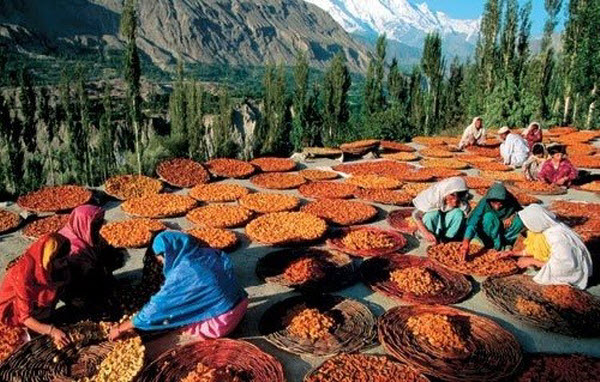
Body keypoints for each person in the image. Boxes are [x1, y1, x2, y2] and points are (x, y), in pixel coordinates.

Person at [108, 231, 248, 341]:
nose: (161, 262)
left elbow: (156, 309)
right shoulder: (209, 253)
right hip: (241, 304)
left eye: (160, 258)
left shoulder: (184, 272)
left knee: (176, 326)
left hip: (223, 322)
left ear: (168, 253)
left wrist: (121, 328)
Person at [0, 234, 72, 347]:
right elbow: (25, 317)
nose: (65, 263)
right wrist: (51, 330)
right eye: (60, 260)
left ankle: (41, 321)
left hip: (34, 306)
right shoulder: (23, 273)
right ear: (48, 258)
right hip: (14, 311)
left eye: (65, 259)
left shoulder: (49, 267)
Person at [509, 204, 591, 289]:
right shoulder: (545, 230)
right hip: (554, 263)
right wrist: (512, 253)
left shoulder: (558, 237)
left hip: (569, 273)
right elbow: (534, 250)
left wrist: (531, 261)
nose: (526, 227)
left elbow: (563, 267)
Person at [58, 205, 114, 307]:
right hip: (75, 286)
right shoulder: (71, 249)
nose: (100, 227)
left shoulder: (82, 232)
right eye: (96, 225)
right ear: (84, 224)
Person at [462, 182, 524, 256]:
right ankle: (492, 244)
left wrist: (512, 216)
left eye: (500, 204)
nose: (497, 207)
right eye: (494, 203)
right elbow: (473, 222)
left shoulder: (510, 199)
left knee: (519, 222)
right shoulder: (485, 202)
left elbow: (521, 211)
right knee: (489, 217)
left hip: (503, 229)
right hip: (488, 229)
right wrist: (466, 241)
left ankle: (507, 243)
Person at [412, 177, 472, 244]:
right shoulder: (433, 196)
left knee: (458, 213)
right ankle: (430, 237)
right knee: (432, 214)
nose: (455, 202)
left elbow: (466, 211)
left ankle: (446, 238)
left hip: (444, 219)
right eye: (451, 198)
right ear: (447, 192)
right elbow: (416, 215)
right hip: (432, 222)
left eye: (457, 199)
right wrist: (426, 232)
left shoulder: (462, 196)